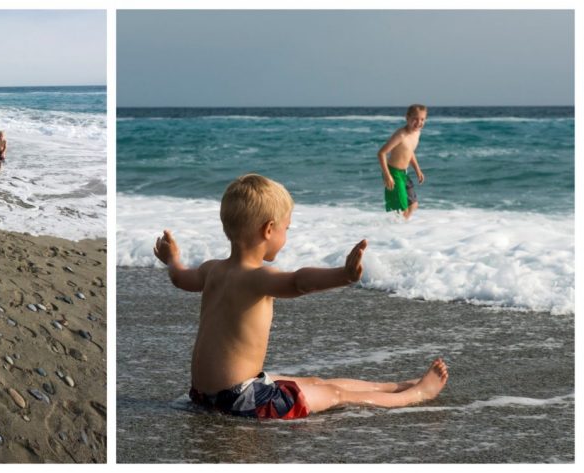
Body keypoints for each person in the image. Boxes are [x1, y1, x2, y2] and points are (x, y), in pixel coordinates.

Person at [153, 174, 448, 420]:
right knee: (334, 394)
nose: (286, 234)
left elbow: (180, 278)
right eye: (286, 228)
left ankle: (392, 385)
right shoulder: (259, 277)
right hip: (242, 400)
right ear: (269, 229)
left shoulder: (212, 269)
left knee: (311, 383)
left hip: (204, 394)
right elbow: (299, 282)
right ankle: (416, 393)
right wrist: (343, 275)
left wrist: (172, 259)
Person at [378, 104, 427, 219]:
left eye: (422, 119)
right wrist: (387, 175)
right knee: (402, 209)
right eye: (415, 118)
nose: (419, 122)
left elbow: (409, 152)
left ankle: (401, 228)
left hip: (404, 173)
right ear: (407, 118)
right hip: (393, 173)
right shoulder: (401, 135)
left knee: (413, 205)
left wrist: (418, 170)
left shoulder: (417, 133)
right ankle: (397, 232)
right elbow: (381, 153)